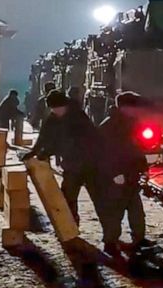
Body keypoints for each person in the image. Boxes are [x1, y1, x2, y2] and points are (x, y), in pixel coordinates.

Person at [23, 90, 103, 224]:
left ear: (65, 105)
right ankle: (71, 227)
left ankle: (110, 236)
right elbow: (44, 136)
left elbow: (86, 140)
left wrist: (49, 151)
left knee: (100, 200)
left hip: (89, 165)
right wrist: (34, 152)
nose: (55, 111)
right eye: (53, 109)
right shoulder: (52, 118)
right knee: (68, 198)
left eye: (57, 108)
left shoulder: (78, 117)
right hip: (71, 166)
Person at [97, 92, 153, 256]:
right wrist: (114, 174)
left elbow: (136, 148)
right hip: (116, 176)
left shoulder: (132, 123)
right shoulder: (108, 126)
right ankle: (110, 242)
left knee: (136, 210)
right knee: (115, 211)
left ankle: (139, 238)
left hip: (131, 173)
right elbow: (102, 154)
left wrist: (143, 168)